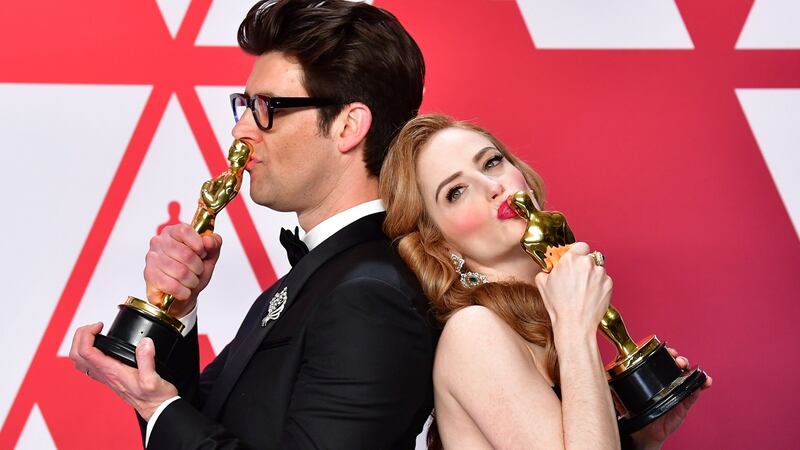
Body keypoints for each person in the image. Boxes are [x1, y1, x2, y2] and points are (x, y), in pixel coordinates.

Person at [69, 1, 434, 448]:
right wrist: (175, 314)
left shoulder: (371, 295)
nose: (241, 130)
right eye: (244, 106)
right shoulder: (318, 277)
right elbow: (208, 419)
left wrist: (157, 407)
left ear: (348, 126)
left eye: (266, 107)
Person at [380, 114, 712, 449]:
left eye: (492, 162)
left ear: (521, 174)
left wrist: (641, 440)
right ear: (440, 243)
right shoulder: (473, 332)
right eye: (456, 192)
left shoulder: (543, 322)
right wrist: (576, 326)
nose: (493, 187)